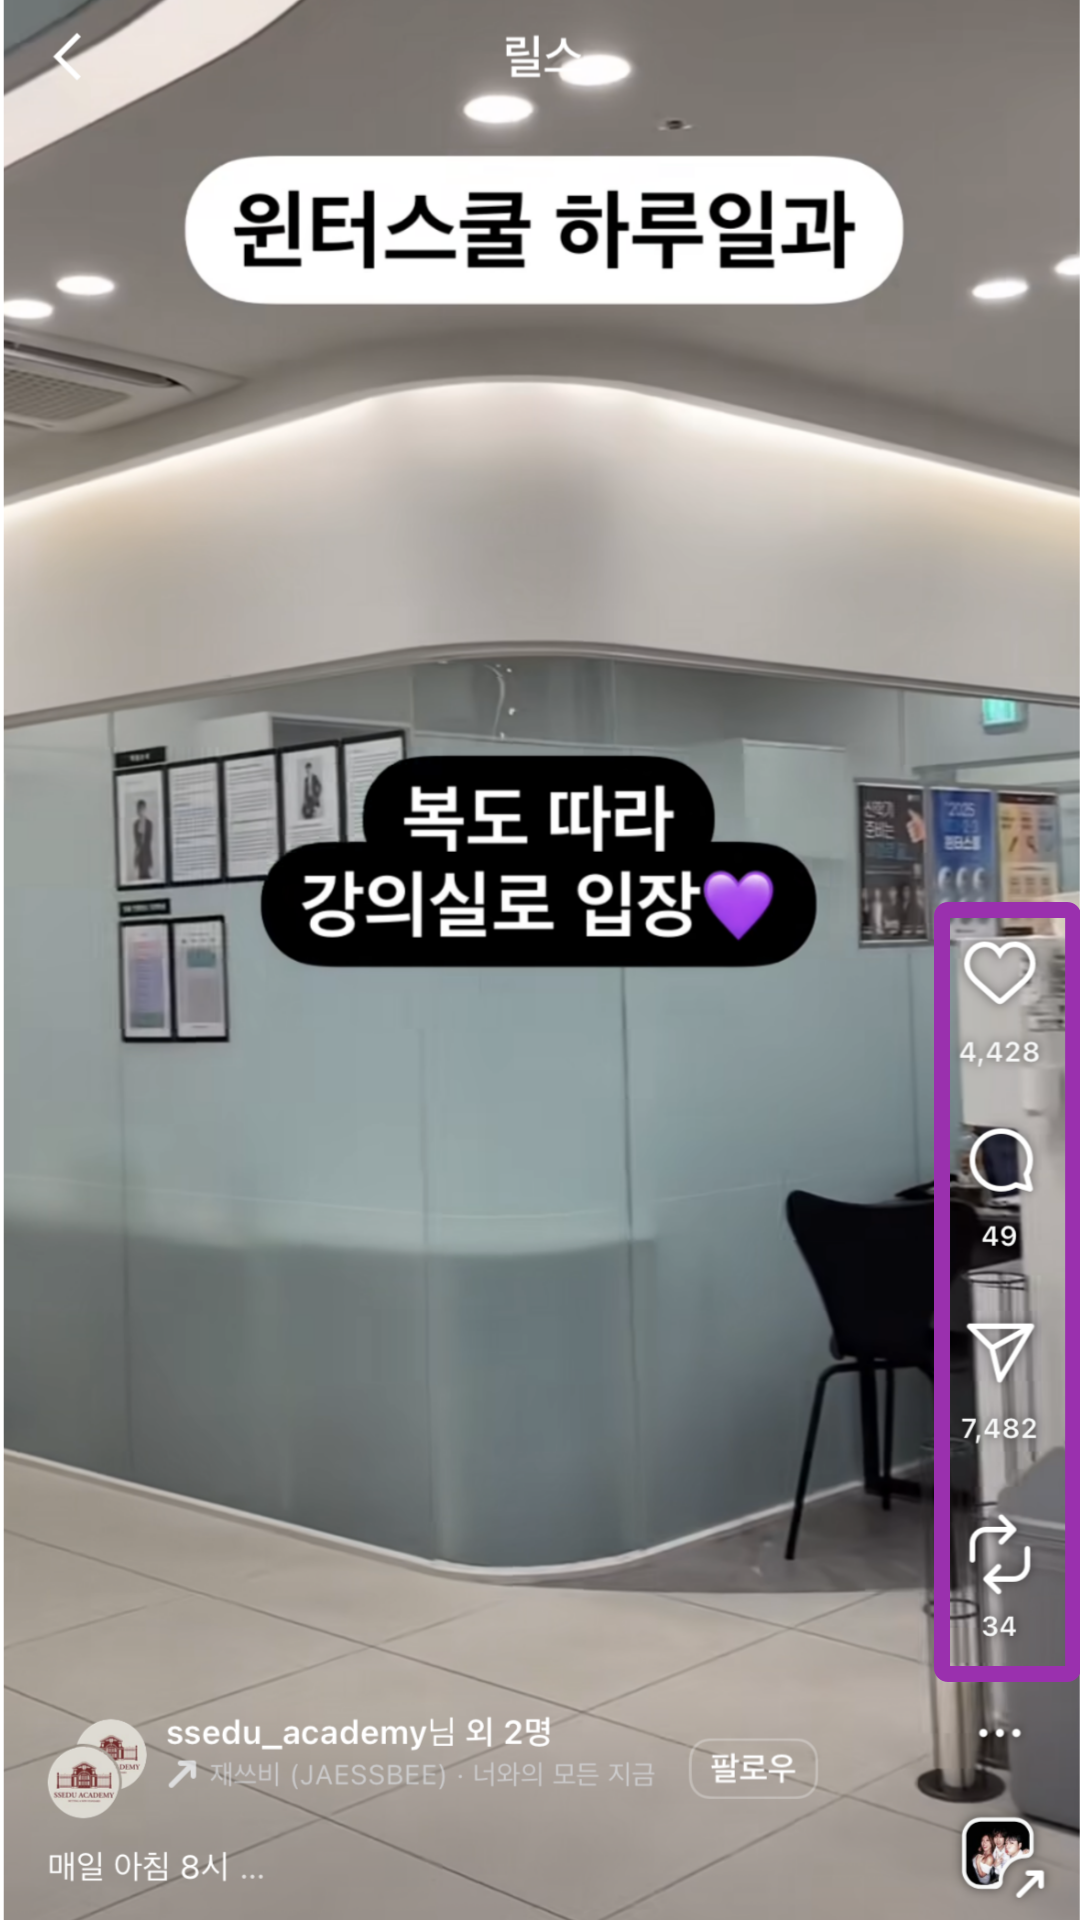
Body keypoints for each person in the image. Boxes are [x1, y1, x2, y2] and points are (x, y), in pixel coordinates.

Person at [132, 798, 154, 881]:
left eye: (142, 809)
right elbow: (136, 842)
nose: (140, 811)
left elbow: (148, 842)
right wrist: (136, 857)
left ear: (145, 809)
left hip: (147, 856)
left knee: (147, 878)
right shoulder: (135, 824)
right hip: (139, 856)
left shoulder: (149, 824)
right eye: (138, 809)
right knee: (140, 878)